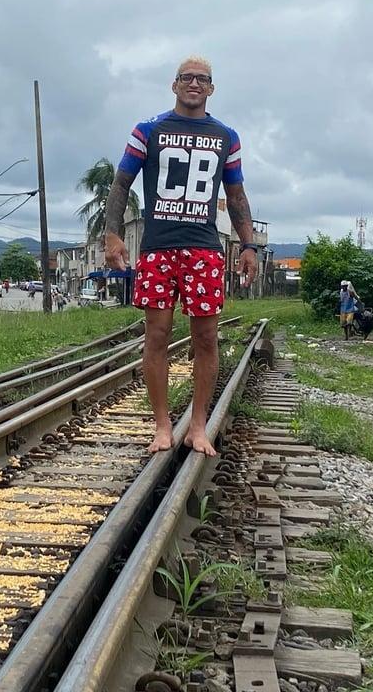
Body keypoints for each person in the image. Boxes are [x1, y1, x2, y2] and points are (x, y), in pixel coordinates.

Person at [104, 56, 257, 456]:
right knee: (156, 335)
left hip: (204, 249)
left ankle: (199, 426)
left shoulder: (226, 136)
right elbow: (121, 185)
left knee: (206, 337)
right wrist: (113, 236)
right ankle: (161, 425)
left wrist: (249, 244)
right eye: (186, 77)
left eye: (202, 79)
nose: (194, 83)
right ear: (174, 85)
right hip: (159, 247)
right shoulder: (148, 130)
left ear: (211, 89)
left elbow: (236, 195)